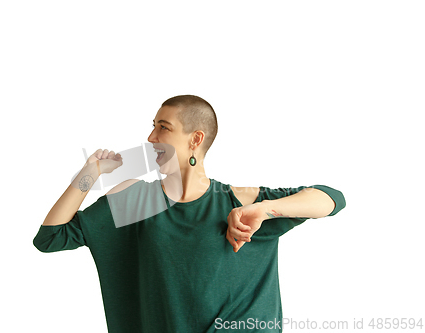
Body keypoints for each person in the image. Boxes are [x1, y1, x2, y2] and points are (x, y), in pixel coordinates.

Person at [33, 95, 346, 333]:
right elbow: (50, 237)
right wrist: (89, 175)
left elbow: (332, 199)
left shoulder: (238, 201)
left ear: (195, 139)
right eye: (153, 126)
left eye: (163, 127)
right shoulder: (140, 202)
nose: (152, 137)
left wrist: (265, 209)